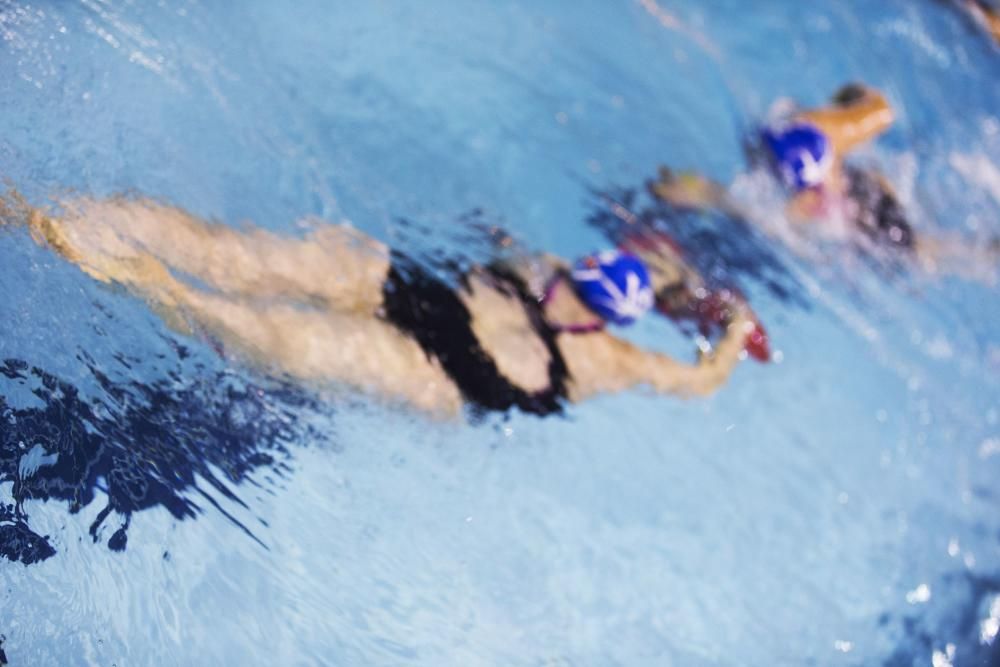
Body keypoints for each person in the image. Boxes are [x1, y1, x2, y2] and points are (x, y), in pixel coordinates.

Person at [0, 190, 759, 418]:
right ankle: (125, 268)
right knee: (262, 330)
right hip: (442, 365)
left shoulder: (546, 265)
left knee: (232, 255)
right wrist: (734, 332)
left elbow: (494, 230)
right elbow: (700, 380)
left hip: (423, 295)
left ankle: (41, 211)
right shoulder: (614, 357)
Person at [649, 83, 998, 284]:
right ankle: (984, 251)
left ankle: (985, 252)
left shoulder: (821, 130)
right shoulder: (794, 177)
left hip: (858, 198)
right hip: (849, 198)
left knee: (910, 251)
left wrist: (849, 98)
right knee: (909, 250)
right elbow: (729, 201)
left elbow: (882, 108)